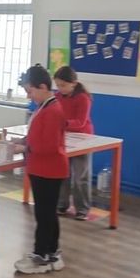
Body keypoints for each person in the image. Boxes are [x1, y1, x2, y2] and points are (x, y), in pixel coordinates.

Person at [14, 65, 68, 274]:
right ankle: (52, 253)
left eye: (31, 91)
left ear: (43, 87)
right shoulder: (44, 107)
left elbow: (49, 146)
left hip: (49, 169)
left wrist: (26, 148)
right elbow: (38, 135)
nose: (29, 96)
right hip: (42, 168)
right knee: (47, 213)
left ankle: (41, 256)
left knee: (44, 215)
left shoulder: (53, 110)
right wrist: (24, 140)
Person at [54, 66, 94, 220]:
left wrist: (62, 123)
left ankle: (82, 209)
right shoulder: (57, 97)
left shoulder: (83, 98)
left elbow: (80, 122)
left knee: (81, 177)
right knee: (63, 173)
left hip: (83, 139)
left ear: (74, 83)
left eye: (63, 85)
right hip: (65, 138)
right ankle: (61, 204)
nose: (60, 88)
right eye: (58, 85)